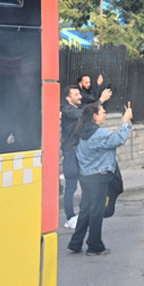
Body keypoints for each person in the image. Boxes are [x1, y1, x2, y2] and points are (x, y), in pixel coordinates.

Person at [67, 102, 132, 256]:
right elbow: (120, 138)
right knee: (96, 211)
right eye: (103, 112)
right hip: (99, 177)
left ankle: (76, 242)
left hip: (85, 176)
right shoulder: (99, 133)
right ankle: (94, 245)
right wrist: (126, 121)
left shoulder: (81, 131)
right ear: (95, 116)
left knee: (85, 210)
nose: (105, 114)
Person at [60, 86, 84, 230]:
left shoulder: (75, 110)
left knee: (86, 183)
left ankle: (82, 213)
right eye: (76, 94)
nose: (79, 96)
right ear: (68, 98)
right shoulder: (68, 110)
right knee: (70, 186)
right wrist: (101, 101)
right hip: (70, 152)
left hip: (79, 152)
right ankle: (70, 217)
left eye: (79, 93)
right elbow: (82, 115)